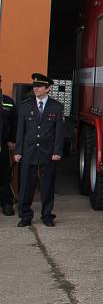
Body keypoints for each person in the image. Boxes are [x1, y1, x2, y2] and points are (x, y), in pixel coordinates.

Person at [14, 73, 65, 227]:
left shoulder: (56, 107)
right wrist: (18, 151)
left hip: (47, 152)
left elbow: (59, 132)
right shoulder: (25, 106)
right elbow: (20, 131)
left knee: (47, 186)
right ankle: (25, 216)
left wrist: (57, 151)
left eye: (39, 86)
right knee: (26, 186)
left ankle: (47, 215)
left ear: (48, 89)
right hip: (29, 151)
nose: (36, 89)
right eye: (34, 86)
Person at [0, 74, 16, 216]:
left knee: (4, 176)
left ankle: (6, 204)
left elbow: (15, 123)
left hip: (2, 146)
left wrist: (12, 140)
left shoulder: (8, 102)